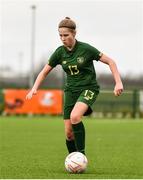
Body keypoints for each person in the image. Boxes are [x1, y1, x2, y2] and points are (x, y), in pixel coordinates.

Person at [26, 17, 123, 155]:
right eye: (60, 35)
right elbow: (44, 72)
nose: (63, 38)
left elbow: (111, 62)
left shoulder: (86, 49)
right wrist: (34, 88)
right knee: (69, 134)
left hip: (88, 88)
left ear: (74, 33)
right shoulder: (59, 52)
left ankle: (81, 156)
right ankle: (72, 158)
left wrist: (118, 82)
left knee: (75, 117)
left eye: (66, 35)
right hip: (71, 91)